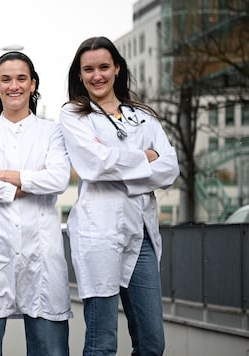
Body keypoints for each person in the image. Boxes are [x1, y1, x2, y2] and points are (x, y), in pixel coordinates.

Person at [59, 36, 180, 355]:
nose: (96, 75)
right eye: (88, 69)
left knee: (152, 342)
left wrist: (120, 166)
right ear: (80, 74)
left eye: (103, 67)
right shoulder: (74, 115)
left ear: (117, 69)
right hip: (98, 235)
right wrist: (146, 158)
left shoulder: (143, 115)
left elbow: (169, 169)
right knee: (102, 342)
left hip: (140, 237)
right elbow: (95, 166)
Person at [0, 51, 72, 356]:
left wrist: (7, 176)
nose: (14, 86)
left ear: (33, 84)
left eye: (21, 78)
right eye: (6, 79)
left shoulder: (52, 131)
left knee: (49, 347)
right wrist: (30, 183)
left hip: (42, 251)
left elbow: (58, 181)